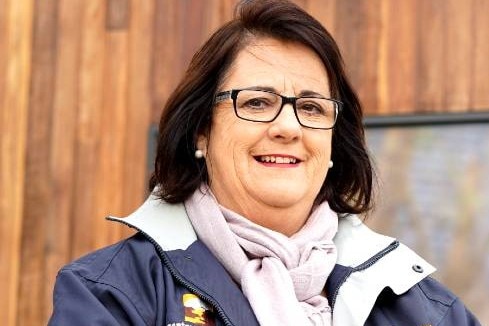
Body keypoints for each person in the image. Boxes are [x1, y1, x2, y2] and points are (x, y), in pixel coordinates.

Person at [48, 0, 481, 325]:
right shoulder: (110, 294)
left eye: (311, 108)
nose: (288, 126)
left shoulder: (424, 309)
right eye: (257, 102)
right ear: (202, 130)